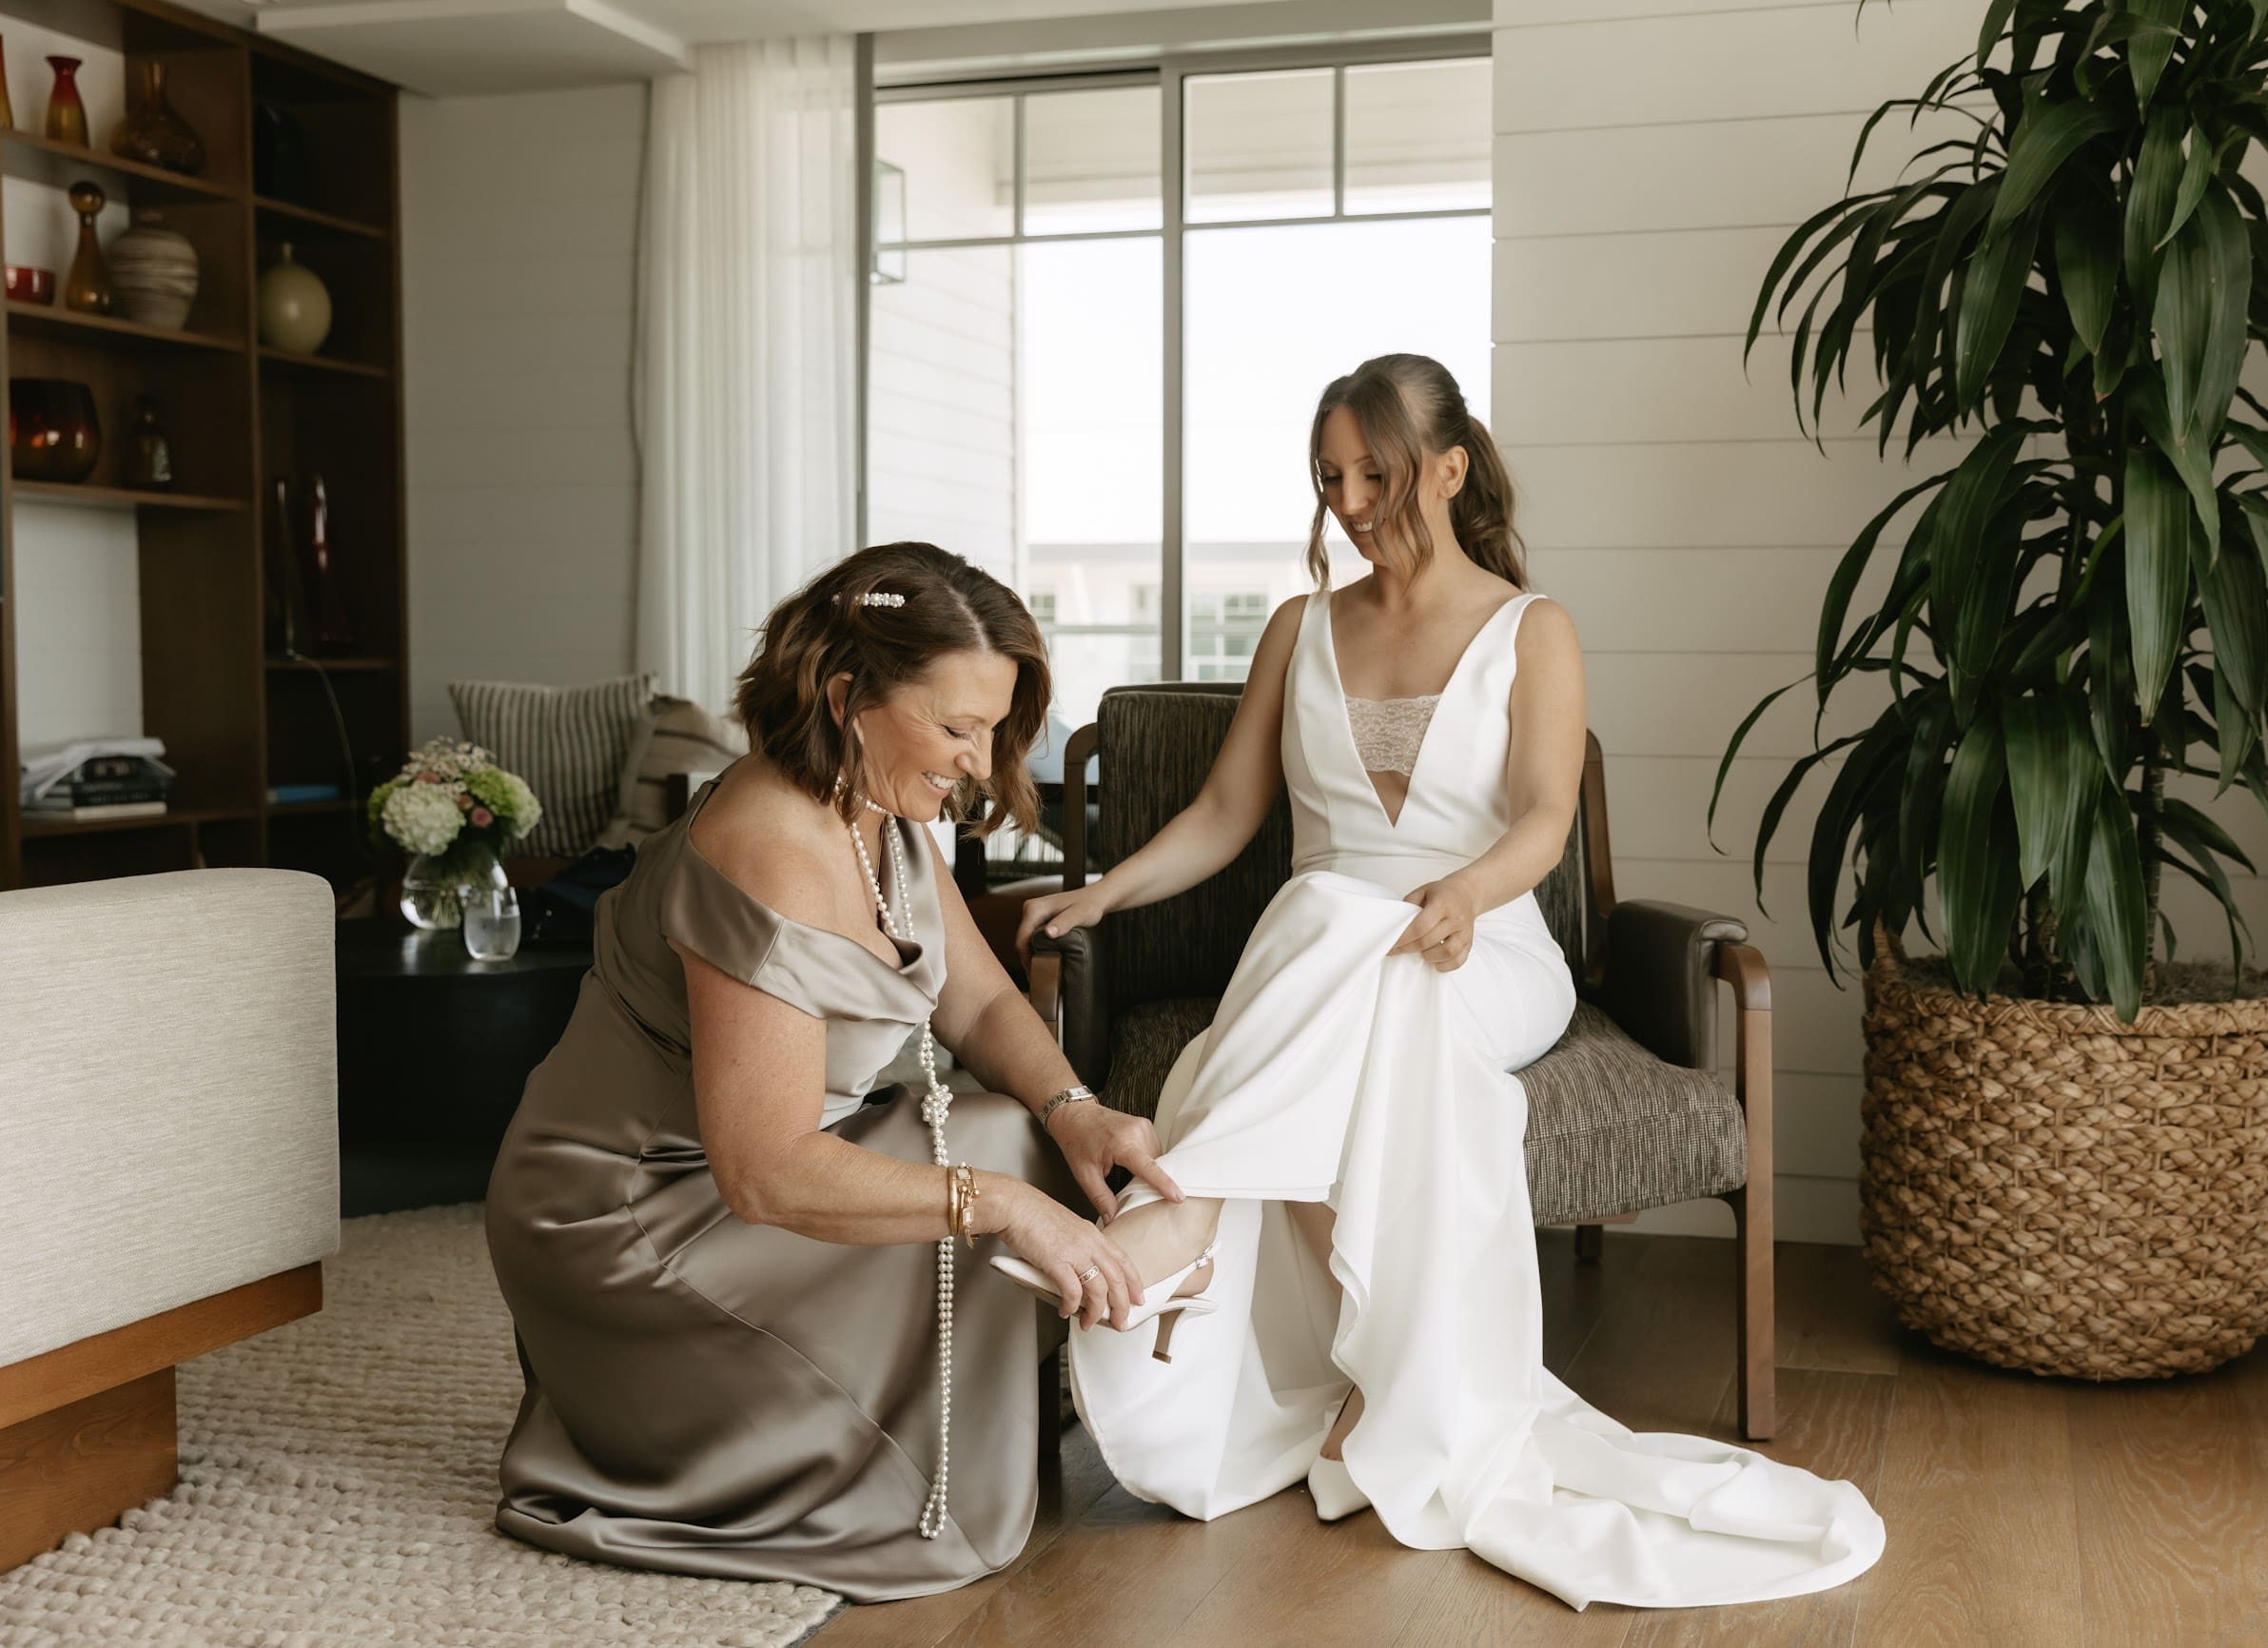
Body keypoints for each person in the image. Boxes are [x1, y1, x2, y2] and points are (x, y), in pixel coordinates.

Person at [1007, 354, 1887, 1609]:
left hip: (1490, 949)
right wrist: (1105, 890)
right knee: (1335, 913)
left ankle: (1189, 1211)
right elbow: (1223, 810)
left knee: (1366, 943)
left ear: (1451, 467)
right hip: (1335, 956)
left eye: (1378, 471)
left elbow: (1540, 815)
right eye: (1330, 477)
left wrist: (1467, 894)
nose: (1352, 498)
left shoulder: (1535, 628)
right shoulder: (1301, 628)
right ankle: (1367, 1370)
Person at [484, 541, 1187, 1602]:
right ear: (845, 694)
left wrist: (1076, 1108)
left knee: (1011, 1125)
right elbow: (763, 1172)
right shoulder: (765, 845)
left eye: (991, 727)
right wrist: (999, 1207)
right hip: (632, 1216)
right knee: (992, 1173)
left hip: (745, 1177)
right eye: (955, 727)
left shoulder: (877, 809)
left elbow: (983, 999)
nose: (975, 758)